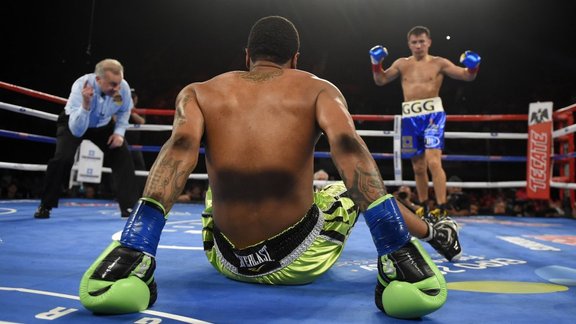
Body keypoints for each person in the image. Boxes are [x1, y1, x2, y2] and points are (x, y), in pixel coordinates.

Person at [79, 16, 447, 319]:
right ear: (296, 59)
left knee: (214, 188)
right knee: (340, 191)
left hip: (224, 259)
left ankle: (134, 255)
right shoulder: (319, 89)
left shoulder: (198, 92)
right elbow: (348, 148)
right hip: (298, 260)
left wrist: (135, 244)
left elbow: (180, 149)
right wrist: (392, 244)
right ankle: (432, 233)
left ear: (247, 56)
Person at [370, 26, 480, 221]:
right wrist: (376, 64)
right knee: (418, 167)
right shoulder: (402, 64)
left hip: (432, 117)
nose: (418, 45)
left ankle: (441, 206)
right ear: (409, 44)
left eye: (422, 41)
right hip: (410, 118)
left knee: (433, 162)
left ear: (429, 42)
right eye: (414, 42)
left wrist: (473, 66)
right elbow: (380, 80)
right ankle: (423, 206)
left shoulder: (439, 63)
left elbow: (467, 75)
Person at [33, 59, 139, 218]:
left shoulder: (121, 87)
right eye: (112, 84)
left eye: (118, 83)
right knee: (62, 159)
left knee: (122, 155)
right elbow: (76, 130)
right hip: (75, 121)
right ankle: (45, 205)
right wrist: (86, 105)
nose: (117, 88)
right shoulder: (80, 86)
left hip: (103, 124)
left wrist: (119, 133)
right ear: (98, 79)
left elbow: (124, 111)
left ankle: (129, 207)